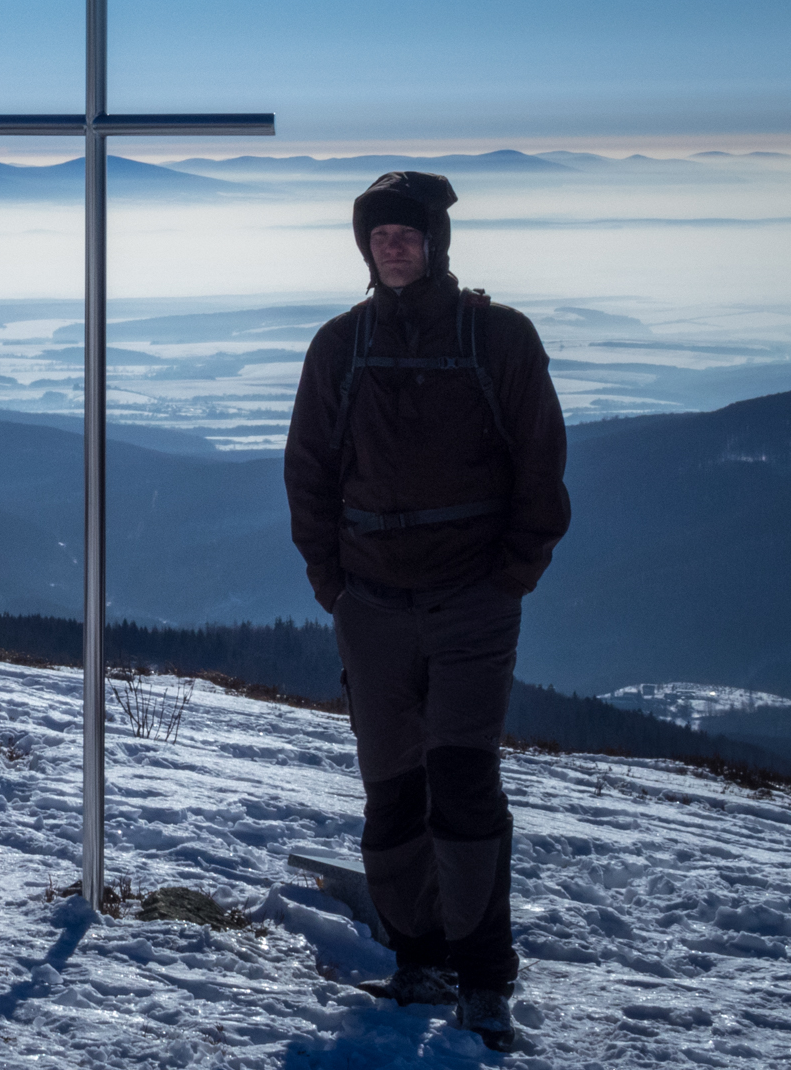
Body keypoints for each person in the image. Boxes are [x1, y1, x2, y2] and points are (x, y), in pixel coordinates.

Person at [282, 171, 570, 1053]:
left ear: (436, 241)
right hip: (370, 601)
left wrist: (511, 575)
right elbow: (308, 470)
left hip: (470, 599)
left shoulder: (498, 337)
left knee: (465, 781)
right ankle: (420, 956)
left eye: (408, 233)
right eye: (380, 236)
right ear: (364, 247)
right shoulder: (341, 344)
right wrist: (333, 583)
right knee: (391, 786)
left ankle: (484, 975)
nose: (394, 246)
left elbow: (540, 460)